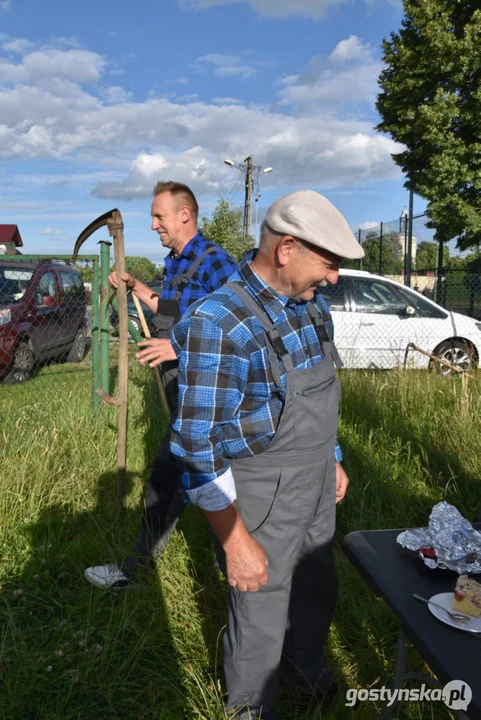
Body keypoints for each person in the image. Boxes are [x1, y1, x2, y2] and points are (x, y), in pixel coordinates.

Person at [170, 190, 364, 719]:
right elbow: (195, 446)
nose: (334, 278)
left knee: (317, 580)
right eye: (328, 264)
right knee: (260, 607)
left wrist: (334, 455)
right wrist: (235, 541)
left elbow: (320, 395)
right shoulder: (220, 323)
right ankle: (250, 708)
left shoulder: (311, 305)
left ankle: (305, 668)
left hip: (318, 476)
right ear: (286, 249)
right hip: (262, 490)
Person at [84, 181, 238, 590]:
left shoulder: (215, 262)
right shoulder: (176, 263)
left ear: (184, 214)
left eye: (159, 216)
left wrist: (178, 347)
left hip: (210, 403)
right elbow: (173, 310)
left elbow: (240, 329)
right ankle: (146, 570)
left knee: (197, 485)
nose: (153, 225)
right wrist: (137, 287)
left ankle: (243, 580)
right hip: (182, 397)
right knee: (172, 482)